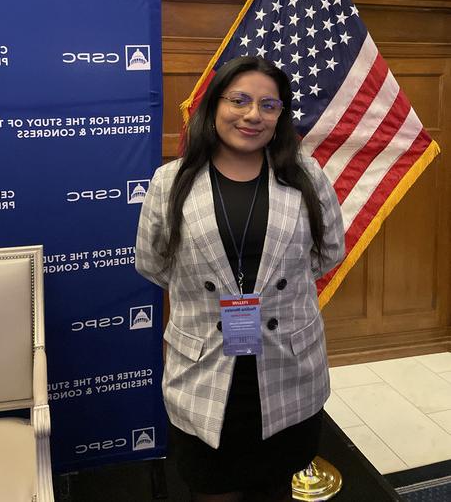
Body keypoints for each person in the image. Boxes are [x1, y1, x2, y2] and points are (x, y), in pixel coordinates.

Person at [135, 56, 345, 502]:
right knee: (212, 489)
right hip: (206, 367)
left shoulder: (306, 176)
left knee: (276, 488)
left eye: (269, 105)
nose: (253, 115)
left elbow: (329, 251)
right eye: (240, 100)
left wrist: (271, 291)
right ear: (214, 106)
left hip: (288, 365)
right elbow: (153, 263)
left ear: (280, 116)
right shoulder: (169, 182)